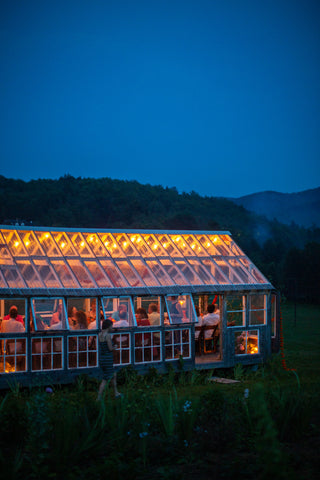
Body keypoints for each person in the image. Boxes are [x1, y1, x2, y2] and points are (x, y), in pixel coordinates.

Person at [97, 319, 122, 400]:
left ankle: (116, 392)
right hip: (108, 358)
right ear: (108, 326)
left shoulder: (99, 334)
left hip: (102, 357)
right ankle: (99, 397)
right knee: (105, 379)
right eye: (111, 326)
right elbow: (110, 348)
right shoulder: (107, 336)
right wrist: (115, 347)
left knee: (113, 375)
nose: (112, 327)